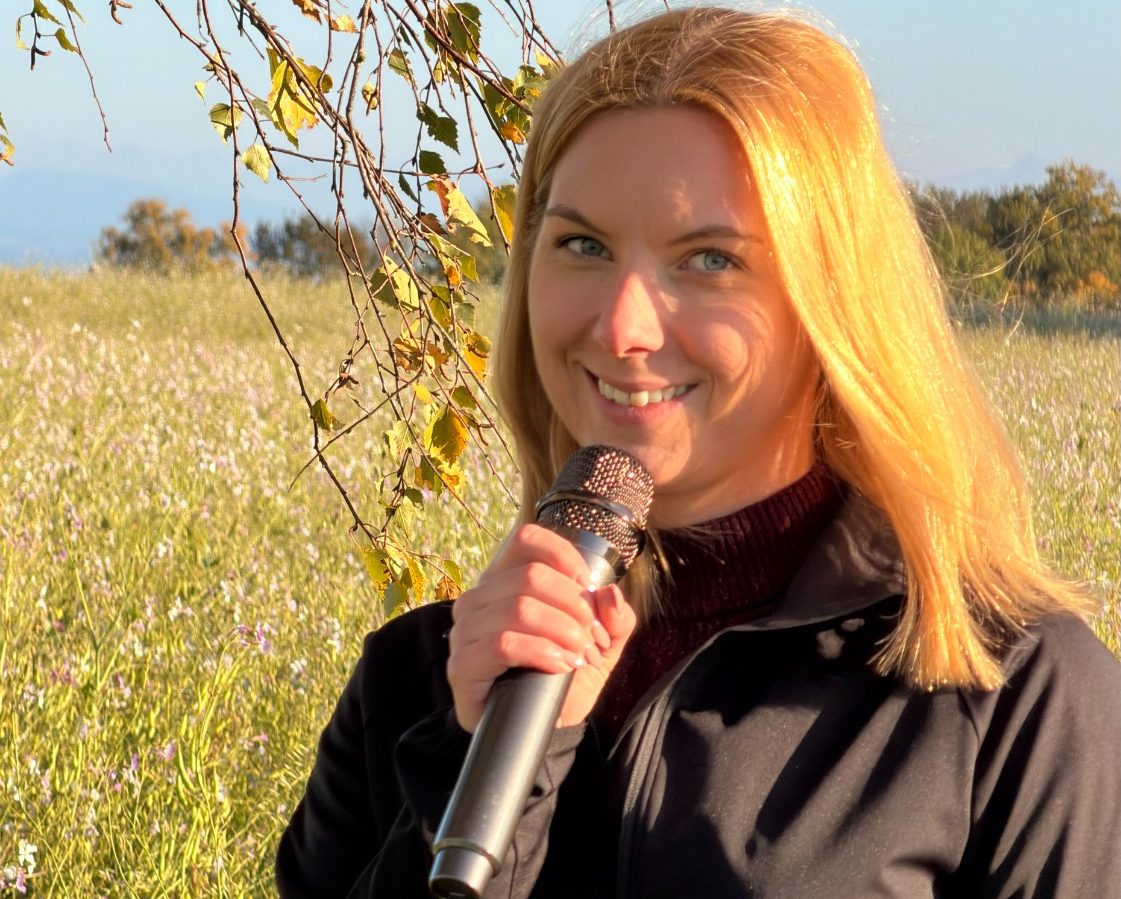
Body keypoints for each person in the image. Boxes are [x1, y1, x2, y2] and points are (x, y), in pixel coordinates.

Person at [276, 7, 1121, 897]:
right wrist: (471, 768)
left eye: (709, 259)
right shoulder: (415, 683)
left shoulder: (1010, 694)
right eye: (582, 245)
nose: (622, 327)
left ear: (834, 304)